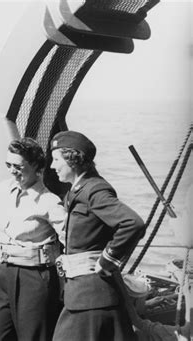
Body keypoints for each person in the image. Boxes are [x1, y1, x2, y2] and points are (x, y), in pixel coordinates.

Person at [0, 137, 66, 341]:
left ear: (35, 165)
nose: (12, 171)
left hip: (35, 278)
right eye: (8, 165)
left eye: (18, 166)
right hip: (3, 273)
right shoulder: (4, 189)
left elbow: (72, 239)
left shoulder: (49, 202)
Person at [50, 130, 146, 341]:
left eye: (56, 159)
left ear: (72, 159)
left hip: (91, 296)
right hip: (84, 295)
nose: (52, 166)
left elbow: (133, 223)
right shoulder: (78, 191)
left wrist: (108, 259)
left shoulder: (94, 190)